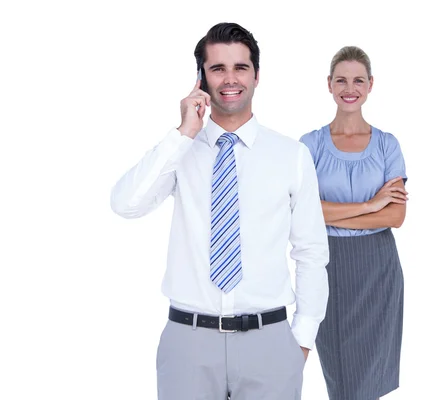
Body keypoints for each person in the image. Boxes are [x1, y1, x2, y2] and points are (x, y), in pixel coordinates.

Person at [111, 22, 329, 400]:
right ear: (200, 78)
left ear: (257, 76)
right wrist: (183, 134)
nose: (230, 79)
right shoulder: (180, 150)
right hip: (188, 343)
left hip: (271, 343)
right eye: (217, 68)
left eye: (240, 68)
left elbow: (311, 251)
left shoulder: (291, 155)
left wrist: (302, 340)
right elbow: (126, 204)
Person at [299, 46, 409, 400]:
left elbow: (396, 216)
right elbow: (300, 212)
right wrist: (368, 204)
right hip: (327, 262)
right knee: (342, 376)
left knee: (370, 378)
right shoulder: (310, 146)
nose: (350, 88)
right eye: (342, 80)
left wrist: (331, 210)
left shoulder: (387, 146)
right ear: (329, 85)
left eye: (358, 80)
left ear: (371, 84)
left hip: (378, 266)